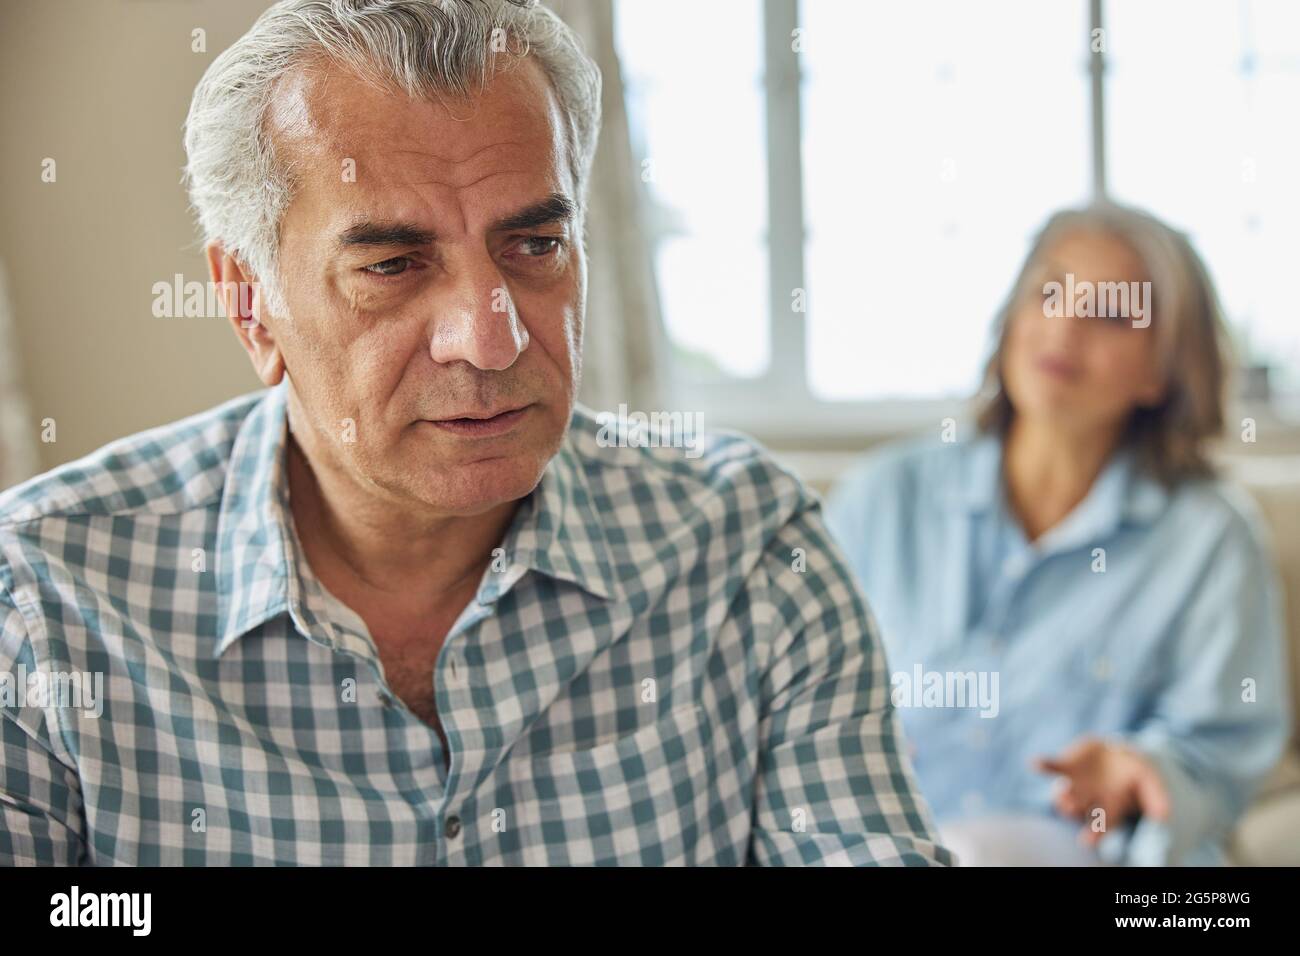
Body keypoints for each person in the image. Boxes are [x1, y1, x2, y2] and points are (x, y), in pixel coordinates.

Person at [0, 0, 950, 867]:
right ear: (251, 304)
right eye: (394, 264)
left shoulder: (748, 547)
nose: (489, 340)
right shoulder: (46, 601)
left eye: (533, 246)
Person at [826, 202, 1290, 865]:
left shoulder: (1211, 538)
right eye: (1049, 293)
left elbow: (1221, 756)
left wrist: (1144, 770)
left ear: (1163, 368)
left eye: (1109, 314)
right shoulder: (882, 497)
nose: (1064, 327)